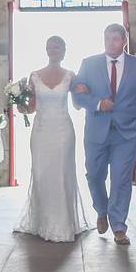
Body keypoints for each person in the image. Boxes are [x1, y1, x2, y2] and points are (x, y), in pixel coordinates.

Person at [71, 24, 136, 246]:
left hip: (127, 134)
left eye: (115, 39)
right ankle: (101, 209)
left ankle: (118, 226)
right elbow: (77, 97)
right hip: (96, 131)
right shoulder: (89, 64)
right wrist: (98, 103)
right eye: (106, 38)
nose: (110, 42)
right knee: (94, 175)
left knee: (121, 179)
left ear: (124, 41)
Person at [14, 36, 92, 242]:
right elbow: (29, 108)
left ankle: (65, 224)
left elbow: (77, 104)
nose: (53, 50)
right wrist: (19, 102)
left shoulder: (70, 75)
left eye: (57, 47)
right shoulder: (34, 76)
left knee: (62, 173)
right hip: (41, 131)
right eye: (50, 47)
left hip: (63, 132)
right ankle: (42, 222)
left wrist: (85, 90)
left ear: (64, 50)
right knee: (41, 173)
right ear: (46, 50)